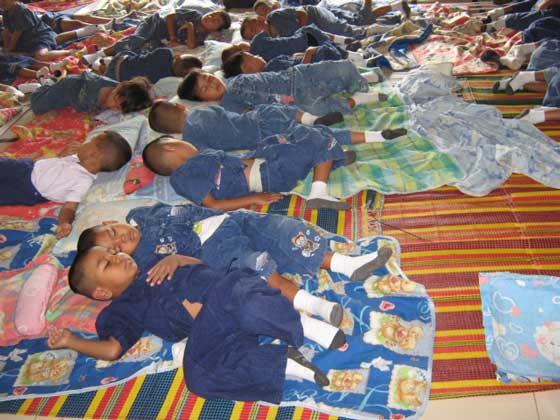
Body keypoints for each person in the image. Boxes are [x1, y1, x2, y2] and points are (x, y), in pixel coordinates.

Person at [48, 247, 343, 403]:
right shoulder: (121, 310)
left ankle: (307, 327)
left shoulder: (153, 259)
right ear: (101, 293)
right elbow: (112, 349)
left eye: (113, 253)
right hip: (210, 328)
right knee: (199, 378)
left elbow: (203, 265)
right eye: (108, 263)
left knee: (248, 303)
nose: (119, 257)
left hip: (226, 291)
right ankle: (284, 363)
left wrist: (176, 260)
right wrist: (71, 341)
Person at [76, 204, 393, 316]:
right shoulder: (144, 265)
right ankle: (312, 305)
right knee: (258, 264)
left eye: (111, 230)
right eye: (115, 249)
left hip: (232, 220)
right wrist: (176, 260)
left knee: (284, 230)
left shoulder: (144, 215)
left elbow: (188, 208)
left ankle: (341, 263)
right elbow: (186, 276)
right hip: (213, 249)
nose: (120, 239)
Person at [0, 131, 131, 238]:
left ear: (94, 153)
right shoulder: (77, 159)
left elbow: (70, 208)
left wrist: (64, 223)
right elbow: (56, 166)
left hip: (27, 188)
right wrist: (62, 155)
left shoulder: (83, 181)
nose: (83, 144)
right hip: (27, 168)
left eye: (89, 142)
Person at [147, 100, 407, 150]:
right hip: (258, 120)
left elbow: (206, 154)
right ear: (182, 106)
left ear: (172, 133)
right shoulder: (205, 109)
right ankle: (312, 118)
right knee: (280, 110)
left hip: (259, 141)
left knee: (315, 137)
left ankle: (374, 138)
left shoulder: (190, 138)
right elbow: (231, 113)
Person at [177, 61, 387, 115]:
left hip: (295, 75)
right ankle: (356, 99)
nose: (212, 83)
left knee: (339, 68)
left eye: (207, 78)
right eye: (206, 88)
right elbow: (252, 113)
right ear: (205, 100)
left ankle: (363, 78)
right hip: (294, 97)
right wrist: (278, 104)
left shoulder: (233, 78)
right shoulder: (227, 104)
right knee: (317, 109)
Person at [1, 0, 102, 60]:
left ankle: (71, 52)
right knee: (15, 55)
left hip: (39, 37)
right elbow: (7, 31)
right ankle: (87, 30)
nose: (1, 2)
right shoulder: (6, 12)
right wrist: (7, 48)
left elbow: (16, 33)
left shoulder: (21, 11)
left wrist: (10, 48)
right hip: (28, 41)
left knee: (41, 55)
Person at [30, 72, 153, 115]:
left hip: (73, 99)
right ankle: (46, 82)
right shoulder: (95, 86)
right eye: (115, 102)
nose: (114, 108)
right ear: (118, 86)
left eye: (117, 108)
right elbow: (87, 75)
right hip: (66, 88)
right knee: (37, 106)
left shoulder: (121, 94)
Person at [221, 47, 384, 77]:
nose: (258, 56)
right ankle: (361, 64)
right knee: (325, 53)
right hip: (312, 68)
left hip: (308, 62)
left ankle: (358, 57)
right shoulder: (270, 70)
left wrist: (298, 54)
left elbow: (290, 61)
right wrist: (308, 53)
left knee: (326, 49)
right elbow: (299, 73)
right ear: (249, 69)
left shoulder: (271, 64)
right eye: (254, 58)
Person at [93, 48, 202, 83]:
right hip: (118, 80)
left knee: (135, 55)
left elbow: (146, 55)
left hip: (120, 62)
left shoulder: (166, 53)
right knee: (139, 60)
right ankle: (102, 69)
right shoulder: (169, 79)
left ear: (178, 56)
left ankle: (101, 64)